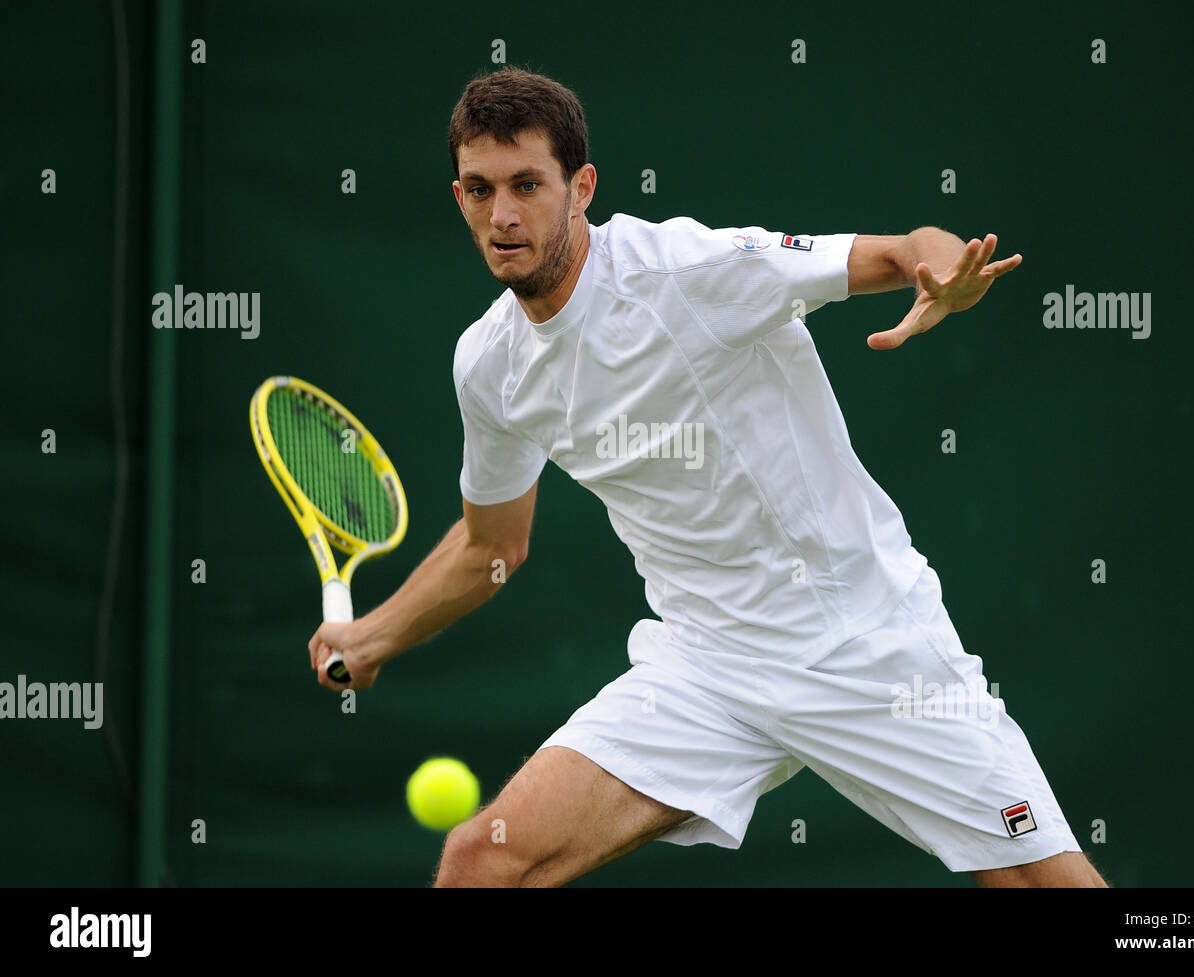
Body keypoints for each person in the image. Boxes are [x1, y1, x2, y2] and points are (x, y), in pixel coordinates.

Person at [308, 66, 1108, 888]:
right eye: (479, 189)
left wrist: (944, 270)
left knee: (1040, 882)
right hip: (706, 666)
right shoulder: (488, 366)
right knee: (485, 860)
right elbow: (491, 546)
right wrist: (375, 634)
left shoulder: (689, 271)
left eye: (526, 185)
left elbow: (905, 251)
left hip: (862, 641)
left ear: (581, 187)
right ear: (458, 197)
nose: (503, 216)